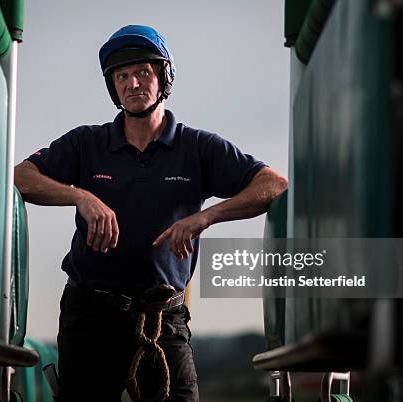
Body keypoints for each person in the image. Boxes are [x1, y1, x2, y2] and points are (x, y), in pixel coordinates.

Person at [15, 25, 287, 402]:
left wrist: (206, 217)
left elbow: (273, 184)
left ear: (165, 77)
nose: (132, 83)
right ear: (113, 86)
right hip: (90, 315)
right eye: (121, 76)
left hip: (164, 319)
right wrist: (80, 197)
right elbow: (22, 177)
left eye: (143, 71)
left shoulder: (196, 147)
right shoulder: (87, 143)